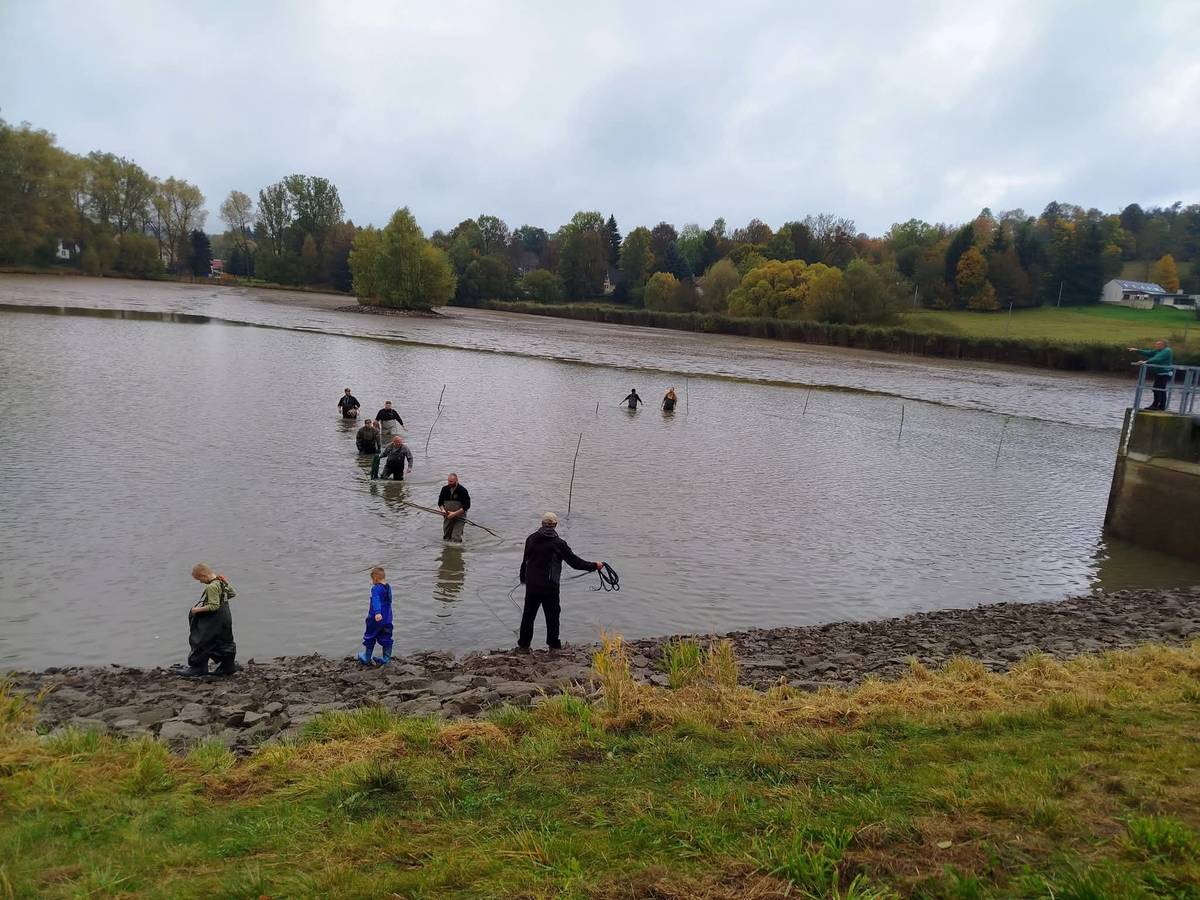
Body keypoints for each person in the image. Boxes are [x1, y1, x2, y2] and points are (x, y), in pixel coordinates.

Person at [517, 512, 603, 652]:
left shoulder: (531, 539)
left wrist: (523, 579)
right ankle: (554, 645)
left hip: (532, 586)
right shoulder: (559, 544)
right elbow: (575, 563)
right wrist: (595, 565)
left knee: (528, 615)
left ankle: (523, 646)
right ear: (555, 525)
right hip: (550, 587)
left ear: (542, 524)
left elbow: (525, 562)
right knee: (552, 616)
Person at [176, 563, 238, 678]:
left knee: (202, 640)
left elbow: (213, 606)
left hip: (214, 619)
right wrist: (221, 597)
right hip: (225, 617)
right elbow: (233, 593)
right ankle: (228, 666)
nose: (200, 582)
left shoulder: (211, 587)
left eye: (199, 579)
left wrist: (196, 610)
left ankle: (197, 667)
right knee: (224, 640)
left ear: (204, 575)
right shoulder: (221, 581)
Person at [356, 566, 394, 666]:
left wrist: (377, 612)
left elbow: (376, 600)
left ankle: (367, 657)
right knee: (386, 636)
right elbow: (389, 600)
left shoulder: (375, 589)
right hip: (387, 618)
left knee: (370, 635)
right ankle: (386, 659)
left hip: (376, 618)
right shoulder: (388, 587)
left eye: (372, 579)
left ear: (375, 579)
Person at [1129, 340, 1175, 411]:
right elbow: (1149, 353)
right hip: (1160, 373)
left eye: (1158, 344)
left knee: (1157, 388)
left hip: (1164, 373)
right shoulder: (1158, 351)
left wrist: (1145, 362)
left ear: (1163, 345)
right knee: (1161, 389)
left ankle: (1155, 405)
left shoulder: (1167, 351)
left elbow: (1157, 358)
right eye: (1156, 344)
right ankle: (1161, 406)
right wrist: (1137, 350)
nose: (1156, 346)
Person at [437, 473, 471, 542]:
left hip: (460, 517)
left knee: (455, 538)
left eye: (451, 481)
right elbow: (440, 503)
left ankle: (457, 550)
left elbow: (467, 506)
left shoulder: (462, 490)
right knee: (446, 538)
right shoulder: (444, 489)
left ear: (456, 480)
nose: (449, 483)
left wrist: (454, 514)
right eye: (448, 481)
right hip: (448, 516)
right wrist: (443, 510)